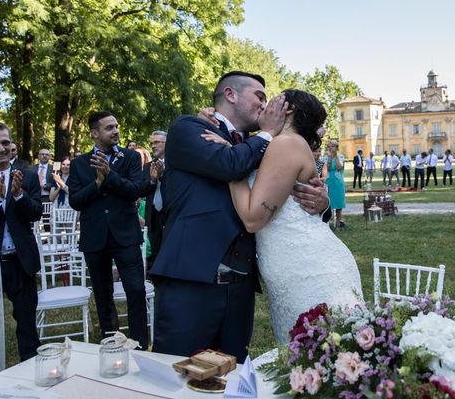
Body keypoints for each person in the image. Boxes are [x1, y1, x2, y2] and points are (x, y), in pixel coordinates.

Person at [150, 71, 329, 361]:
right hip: (192, 281)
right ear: (230, 94)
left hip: (241, 288)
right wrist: (268, 134)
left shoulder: (262, 144)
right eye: (260, 96)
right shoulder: (189, 127)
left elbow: (288, 188)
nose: (266, 105)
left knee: (234, 378)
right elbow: (230, 164)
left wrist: (321, 202)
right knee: (177, 374)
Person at [203, 89, 362, 343]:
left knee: (319, 357)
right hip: (294, 264)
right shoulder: (277, 143)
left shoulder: (286, 144)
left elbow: (253, 218)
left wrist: (229, 161)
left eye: (272, 99)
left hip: (307, 267)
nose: (264, 104)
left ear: (288, 110)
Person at [68, 111, 148, 349]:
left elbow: (135, 189)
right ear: (94, 133)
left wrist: (110, 176)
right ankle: (111, 341)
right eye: (109, 128)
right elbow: (76, 201)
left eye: (116, 126)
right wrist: (97, 184)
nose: (116, 131)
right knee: (103, 294)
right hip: (95, 237)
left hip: (125, 235)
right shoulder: (79, 164)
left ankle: (138, 345)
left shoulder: (131, 157)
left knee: (135, 290)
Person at [0, 121, 43, 361]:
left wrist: (18, 195)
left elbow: (35, 213)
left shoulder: (28, 177)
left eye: (4, 142)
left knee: (26, 322)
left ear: (11, 144)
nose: (0, 148)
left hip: (21, 260)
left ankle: (31, 368)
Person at [139, 131, 167, 271]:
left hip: (171, 214)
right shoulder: (147, 167)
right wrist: (152, 180)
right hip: (153, 216)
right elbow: (142, 191)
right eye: (152, 143)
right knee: (156, 253)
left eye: (157, 142)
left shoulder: (177, 165)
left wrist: (163, 176)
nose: (153, 146)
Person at [325, 139, 346, 228]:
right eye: (330, 145)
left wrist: (335, 156)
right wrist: (330, 157)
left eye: (334, 146)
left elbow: (339, 167)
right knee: (327, 203)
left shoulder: (341, 156)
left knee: (338, 204)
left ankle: (338, 223)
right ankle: (327, 223)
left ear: (337, 147)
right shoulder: (325, 157)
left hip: (338, 183)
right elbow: (327, 168)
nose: (331, 147)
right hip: (328, 182)